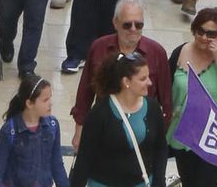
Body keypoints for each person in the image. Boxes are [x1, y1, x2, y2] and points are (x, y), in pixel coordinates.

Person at [168, 6, 217, 187]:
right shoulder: (180, 52)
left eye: (211, 34)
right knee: (189, 181)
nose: (204, 37)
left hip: (213, 138)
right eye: (200, 31)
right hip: (183, 133)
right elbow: (166, 88)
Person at [70, 50, 166, 187]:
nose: (149, 82)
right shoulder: (99, 113)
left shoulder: (153, 108)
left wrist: (159, 182)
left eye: (148, 77)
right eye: (143, 79)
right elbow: (85, 157)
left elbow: (160, 148)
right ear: (126, 82)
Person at [0, 75, 72, 187]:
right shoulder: (10, 131)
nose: (50, 103)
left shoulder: (52, 126)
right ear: (29, 103)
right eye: (45, 100)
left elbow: (56, 163)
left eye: (50, 98)